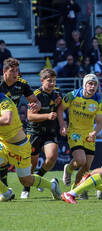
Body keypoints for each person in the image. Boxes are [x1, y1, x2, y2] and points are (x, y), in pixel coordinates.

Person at [0, 92, 61, 202]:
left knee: (26, 180)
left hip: (19, 147)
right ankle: (5, 192)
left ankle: (52, 186)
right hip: (3, 142)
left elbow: (6, 120)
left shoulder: (4, 101)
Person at [59, 74, 102, 199]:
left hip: (89, 134)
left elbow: (100, 122)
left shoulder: (99, 102)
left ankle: (77, 188)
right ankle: (68, 169)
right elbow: (60, 109)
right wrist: (63, 124)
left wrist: (95, 132)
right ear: (84, 85)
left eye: (95, 84)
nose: (92, 86)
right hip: (74, 132)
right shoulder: (72, 96)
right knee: (80, 160)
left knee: (86, 167)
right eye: (90, 83)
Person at [20, 68, 62, 199]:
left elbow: (61, 108)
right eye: (49, 81)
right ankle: (26, 188)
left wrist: (63, 125)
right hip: (34, 132)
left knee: (52, 157)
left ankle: (39, 178)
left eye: (54, 81)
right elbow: (30, 117)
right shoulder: (36, 95)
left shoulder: (57, 93)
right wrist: (47, 115)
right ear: (42, 80)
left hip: (50, 132)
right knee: (32, 164)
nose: (52, 83)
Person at [0, 57, 41, 192]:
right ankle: (5, 188)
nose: (15, 74)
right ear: (4, 71)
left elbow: (36, 101)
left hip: (13, 123)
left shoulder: (22, 84)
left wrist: (36, 106)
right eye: (12, 71)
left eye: (17, 70)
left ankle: (6, 190)